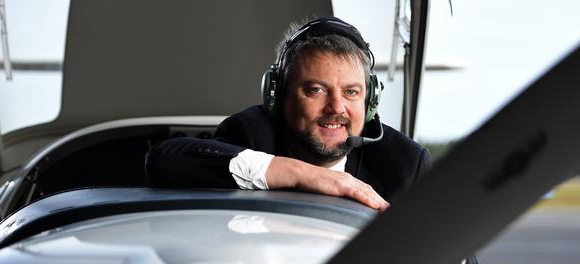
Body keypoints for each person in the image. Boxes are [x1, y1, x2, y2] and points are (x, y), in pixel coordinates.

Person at [146, 17, 430, 211]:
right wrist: (303, 175)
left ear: (371, 100)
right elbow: (164, 160)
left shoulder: (404, 163)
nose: (336, 108)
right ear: (278, 95)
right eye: (316, 90)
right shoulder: (251, 133)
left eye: (351, 92)